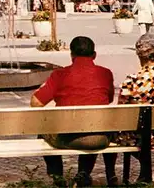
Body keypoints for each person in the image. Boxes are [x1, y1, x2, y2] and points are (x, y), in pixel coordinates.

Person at [30, 36, 117, 187]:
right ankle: (83, 174)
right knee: (94, 126)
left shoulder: (60, 75)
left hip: (66, 137)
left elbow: (36, 104)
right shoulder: (105, 73)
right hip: (99, 138)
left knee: (43, 130)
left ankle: (58, 178)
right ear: (94, 55)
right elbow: (108, 99)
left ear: (71, 55)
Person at [105, 34, 154, 181]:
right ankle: (144, 171)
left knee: (107, 131)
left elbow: (121, 111)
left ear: (140, 54)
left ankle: (111, 175)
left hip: (134, 137)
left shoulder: (133, 80)